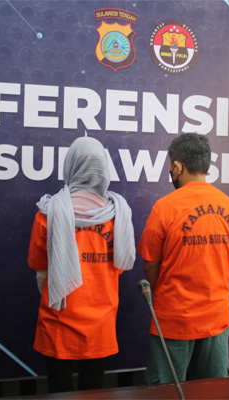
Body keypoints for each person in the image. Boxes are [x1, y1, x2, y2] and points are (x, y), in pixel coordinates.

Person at [27, 136, 135, 393]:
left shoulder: (49, 212)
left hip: (59, 318)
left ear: (71, 165)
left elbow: (40, 270)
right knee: (93, 391)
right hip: (101, 320)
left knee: (59, 391)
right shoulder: (118, 214)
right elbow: (119, 267)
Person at [137, 133, 229, 384]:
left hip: (174, 321)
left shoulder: (164, 208)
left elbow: (150, 265)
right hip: (216, 321)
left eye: (170, 167)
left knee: (166, 393)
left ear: (178, 167)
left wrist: (167, 293)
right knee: (213, 391)